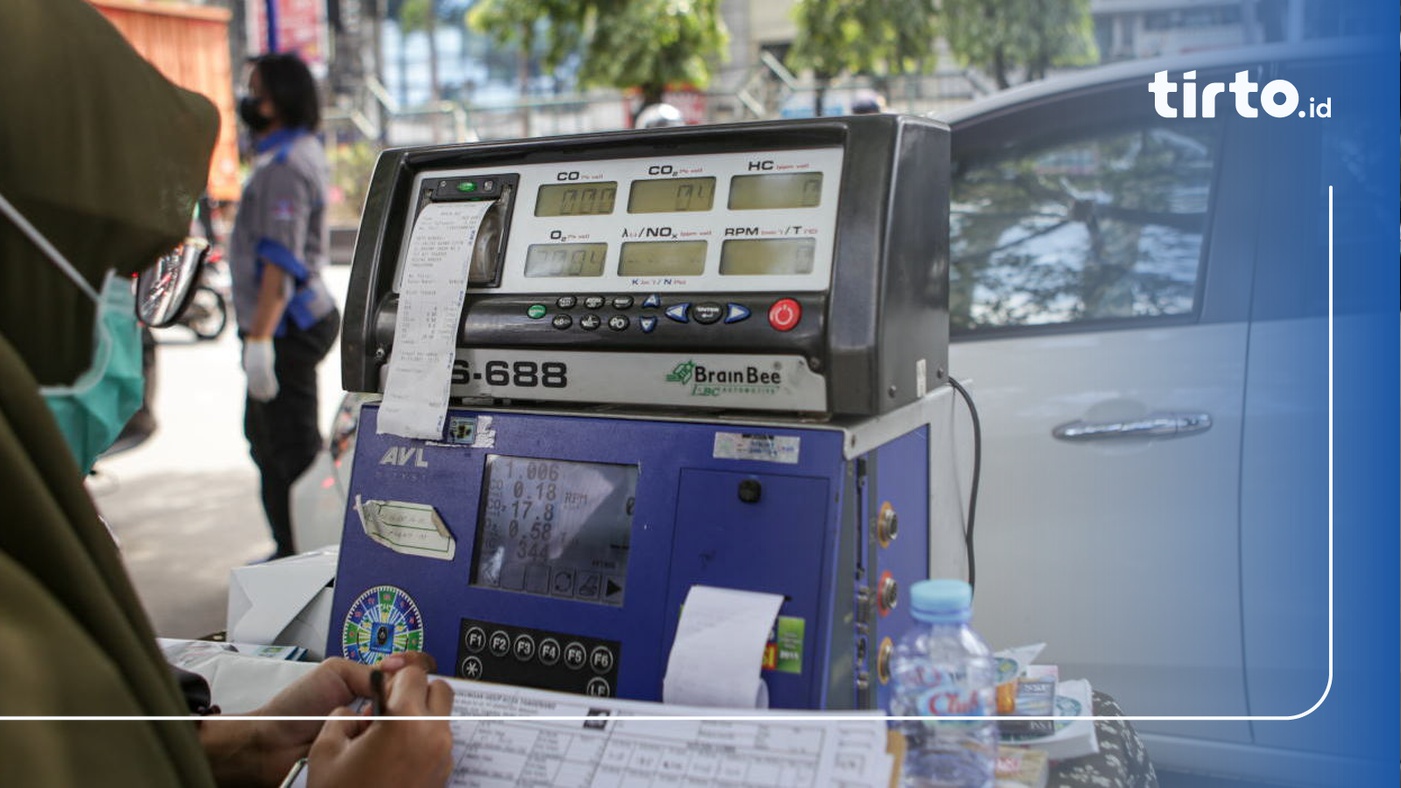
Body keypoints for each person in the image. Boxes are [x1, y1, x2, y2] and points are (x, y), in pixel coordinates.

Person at [0, 2, 453, 785]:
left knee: (280, 449)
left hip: (288, 327)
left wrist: (235, 746)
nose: (132, 328)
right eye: (122, 277)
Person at [229, 53, 342, 559]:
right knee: (264, 437)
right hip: (283, 323)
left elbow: (280, 263)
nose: (250, 102)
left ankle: (308, 561)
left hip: (286, 327)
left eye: (258, 92)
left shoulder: (285, 165)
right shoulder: (289, 153)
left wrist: (258, 342)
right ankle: (288, 548)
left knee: (290, 449)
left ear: (281, 99)